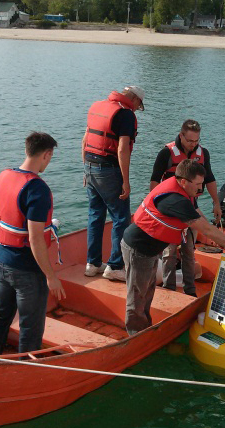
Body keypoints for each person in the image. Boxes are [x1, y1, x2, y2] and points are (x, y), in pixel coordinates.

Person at [121, 159, 225, 336]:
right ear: (184, 181)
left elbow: (198, 216)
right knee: (138, 296)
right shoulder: (175, 200)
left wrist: (217, 236)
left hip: (150, 250)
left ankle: (144, 327)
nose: (201, 189)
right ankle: (135, 335)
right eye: (198, 184)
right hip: (138, 250)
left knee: (148, 291)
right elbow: (204, 229)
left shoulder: (184, 190)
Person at [0, 132, 66, 355]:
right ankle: (29, 369)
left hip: (1, 261)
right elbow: (35, 238)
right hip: (27, 269)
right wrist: (51, 276)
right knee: (30, 325)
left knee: (1, 314)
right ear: (47, 155)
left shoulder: (3, 176)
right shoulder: (37, 188)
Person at [150, 119, 222, 297]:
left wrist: (216, 202)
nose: (193, 144)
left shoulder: (202, 153)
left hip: (191, 208)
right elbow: (154, 181)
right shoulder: (166, 153)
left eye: (196, 141)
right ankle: (169, 289)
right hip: (170, 210)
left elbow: (210, 178)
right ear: (181, 136)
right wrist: (158, 207)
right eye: (190, 141)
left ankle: (190, 291)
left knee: (189, 251)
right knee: (169, 252)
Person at [82, 85, 145, 282]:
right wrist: (126, 181)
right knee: (121, 218)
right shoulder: (125, 114)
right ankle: (115, 266)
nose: (136, 110)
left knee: (95, 215)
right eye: (138, 106)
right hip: (109, 170)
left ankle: (92, 264)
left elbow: (85, 140)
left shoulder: (97, 106)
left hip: (90, 166)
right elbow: (122, 149)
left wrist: (86, 170)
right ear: (134, 100)